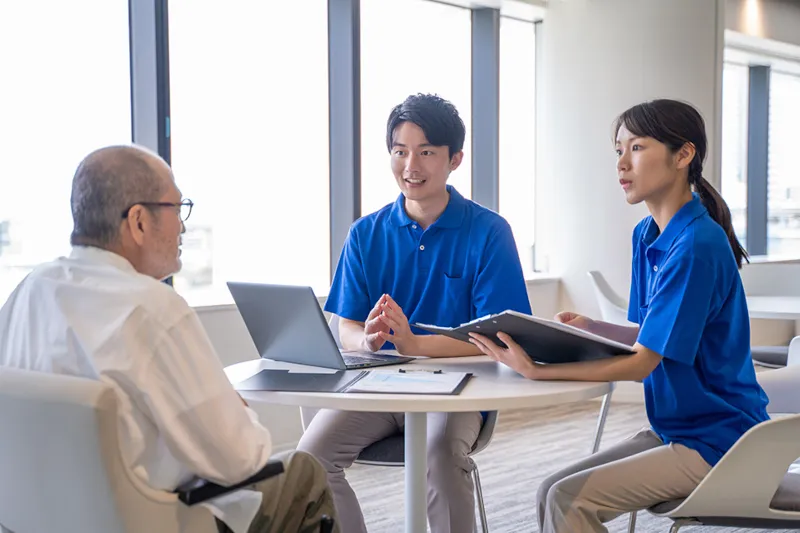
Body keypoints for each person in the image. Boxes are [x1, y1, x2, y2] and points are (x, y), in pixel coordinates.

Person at [0, 145, 339, 533]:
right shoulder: (153, 308)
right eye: (177, 209)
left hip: (42, 519)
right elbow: (242, 460)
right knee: (303, 471)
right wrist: (235, 409)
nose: (183, 227)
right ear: (139, 221)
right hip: (154, 520)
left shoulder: (29, 290)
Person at [468, 99, 769, 533]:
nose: (622, 164)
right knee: (550, 490)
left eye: (637, 148)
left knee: (568, 500)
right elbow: (649, 335)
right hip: (679, 430)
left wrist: (536, 370)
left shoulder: (697, 245)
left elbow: (642, 363)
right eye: (618, 150)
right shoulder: (647, 235)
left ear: (683, 155)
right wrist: (593, 328)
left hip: (721, 441)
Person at [297, 93, 531, 533]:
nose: (410, 166)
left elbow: (499, 336)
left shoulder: (489, 232)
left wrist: (415, 344)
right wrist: (367, 340)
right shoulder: (365, 234)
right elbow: (346, 326)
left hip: (461, 390)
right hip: (382, 387)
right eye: (400, 151)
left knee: (439, 454)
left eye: (425, 152)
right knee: (310, 461)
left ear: (454, 159)